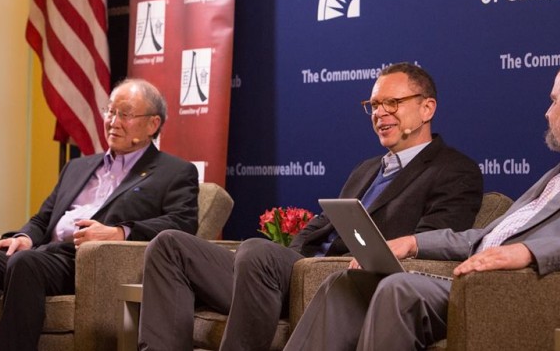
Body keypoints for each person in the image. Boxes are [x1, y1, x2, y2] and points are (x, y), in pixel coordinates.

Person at [284, 58, 560, 351]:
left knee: (398, 289)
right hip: (475, 278)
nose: (546, 111)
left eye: (554, 101)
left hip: (524, 289)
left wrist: (526, 252)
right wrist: (414, 243)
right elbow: (483, 237)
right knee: (345, 284)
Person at [137, 62, 484, 351]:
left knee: (258, 253)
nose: (380, 114)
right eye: (374, 105)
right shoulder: (366, 168)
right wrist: (293, 255)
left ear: (427, 108)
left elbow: (430, 246)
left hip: (348, 281)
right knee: (170, 246)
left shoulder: (454, 170)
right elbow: (322, 224)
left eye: (392, 103)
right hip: (291, 272)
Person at [0, 78, 199, 351]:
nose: (113, 121)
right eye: (110, 111)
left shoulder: (173, 172)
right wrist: (26, 236)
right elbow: (43, 218)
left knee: (24, 264)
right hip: (40, 253)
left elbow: (182, 222)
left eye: (125, 114)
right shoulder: (78, 166)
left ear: (152, 124)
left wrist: (120, 232)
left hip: (82, 262)